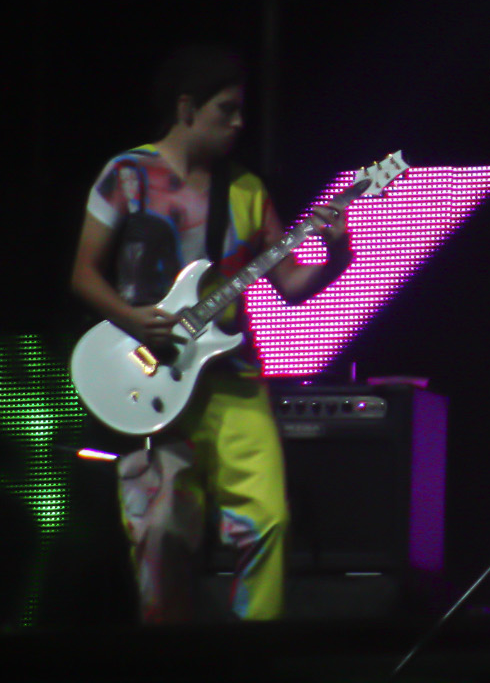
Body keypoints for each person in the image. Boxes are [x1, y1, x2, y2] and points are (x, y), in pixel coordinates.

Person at [70, 45, 352, 622]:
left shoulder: (247, 190)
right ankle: (172, 658)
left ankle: (254, 651)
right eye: (227, 109)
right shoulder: (128, 175)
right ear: (187, 108)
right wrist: (131, 318)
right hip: (153, 380)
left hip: (235, 383)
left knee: (269, 521)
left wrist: (338, 255)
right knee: (161, 535)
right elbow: (83, 274)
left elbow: (291, 285)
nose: (239, 122)